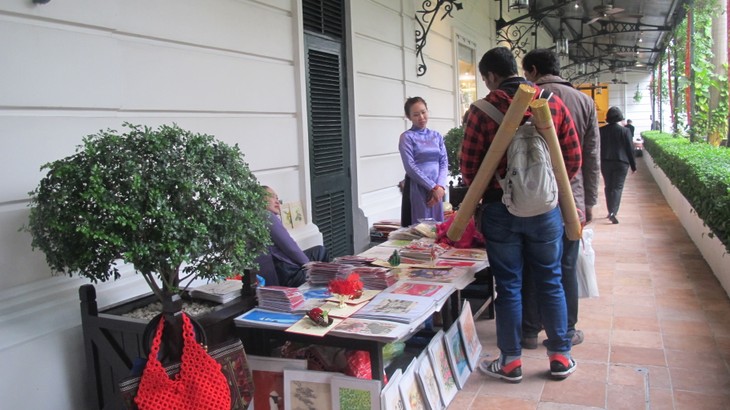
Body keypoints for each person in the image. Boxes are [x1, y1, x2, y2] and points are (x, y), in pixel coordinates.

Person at [461, 47, 582, 383]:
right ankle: (560, 355)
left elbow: (470, 170)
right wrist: (543, 189)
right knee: (551, 278)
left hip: (500, 210)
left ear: (489, 76)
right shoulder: (551, 103)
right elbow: (572, 159)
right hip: (546, 211)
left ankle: (511, 361)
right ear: (516, 69)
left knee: (509, 286)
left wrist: (498, 189)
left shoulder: (481, 110)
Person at [520, 48, 601, 349]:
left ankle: (529, 330)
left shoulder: (529, 98)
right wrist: (589, 200)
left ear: (532, 70)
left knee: (533, 263)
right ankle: (566, 330)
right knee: (566, 265)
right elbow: (591, 155)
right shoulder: (585, 101)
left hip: (533, 195)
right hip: (571, 197)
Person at [254, 186, 328, 287]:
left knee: (319, 250)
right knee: (321, 254)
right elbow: (289, 246)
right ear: (261, 199)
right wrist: (308, 265)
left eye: (278, 198)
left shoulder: (256, 217)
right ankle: (323, 289)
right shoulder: (267, 216)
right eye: (272, 197)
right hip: (285, 274)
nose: (277, 202)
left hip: (280, 269)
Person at [399, 97, 448, 226]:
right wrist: (432, 186)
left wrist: (441, 186)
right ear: (408, 117)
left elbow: (443, 162)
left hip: (437, 189)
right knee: (419, 229)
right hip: (417, 188)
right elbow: (410, 166)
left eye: (423, 112)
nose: (421, 117)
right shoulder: (407, 137)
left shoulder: (436, 136)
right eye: (416, 114)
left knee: (437, 229)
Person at [600, 107, 636, 224]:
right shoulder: (625, 131)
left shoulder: (601, 131)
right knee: (617, 187)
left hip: (605, 161)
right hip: (621, 162)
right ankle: (613, 212)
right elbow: (630, 149)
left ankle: (610, 210)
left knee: (608, 186)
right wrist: (633, 165)